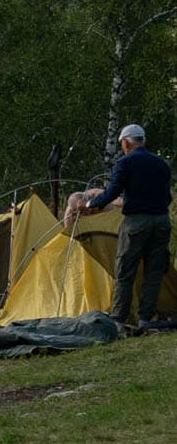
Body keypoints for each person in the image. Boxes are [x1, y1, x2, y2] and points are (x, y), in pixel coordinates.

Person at [82, 123, 171, 327]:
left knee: (125, 271)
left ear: (125, 143)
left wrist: (91, 203)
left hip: (136, 223)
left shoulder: (125, 162)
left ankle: (118, 320)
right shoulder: (161, 164)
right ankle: (145, 319)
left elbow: (113, 192)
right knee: (154, 272)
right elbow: (167, 197)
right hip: (162, 221)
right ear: (143, 141)